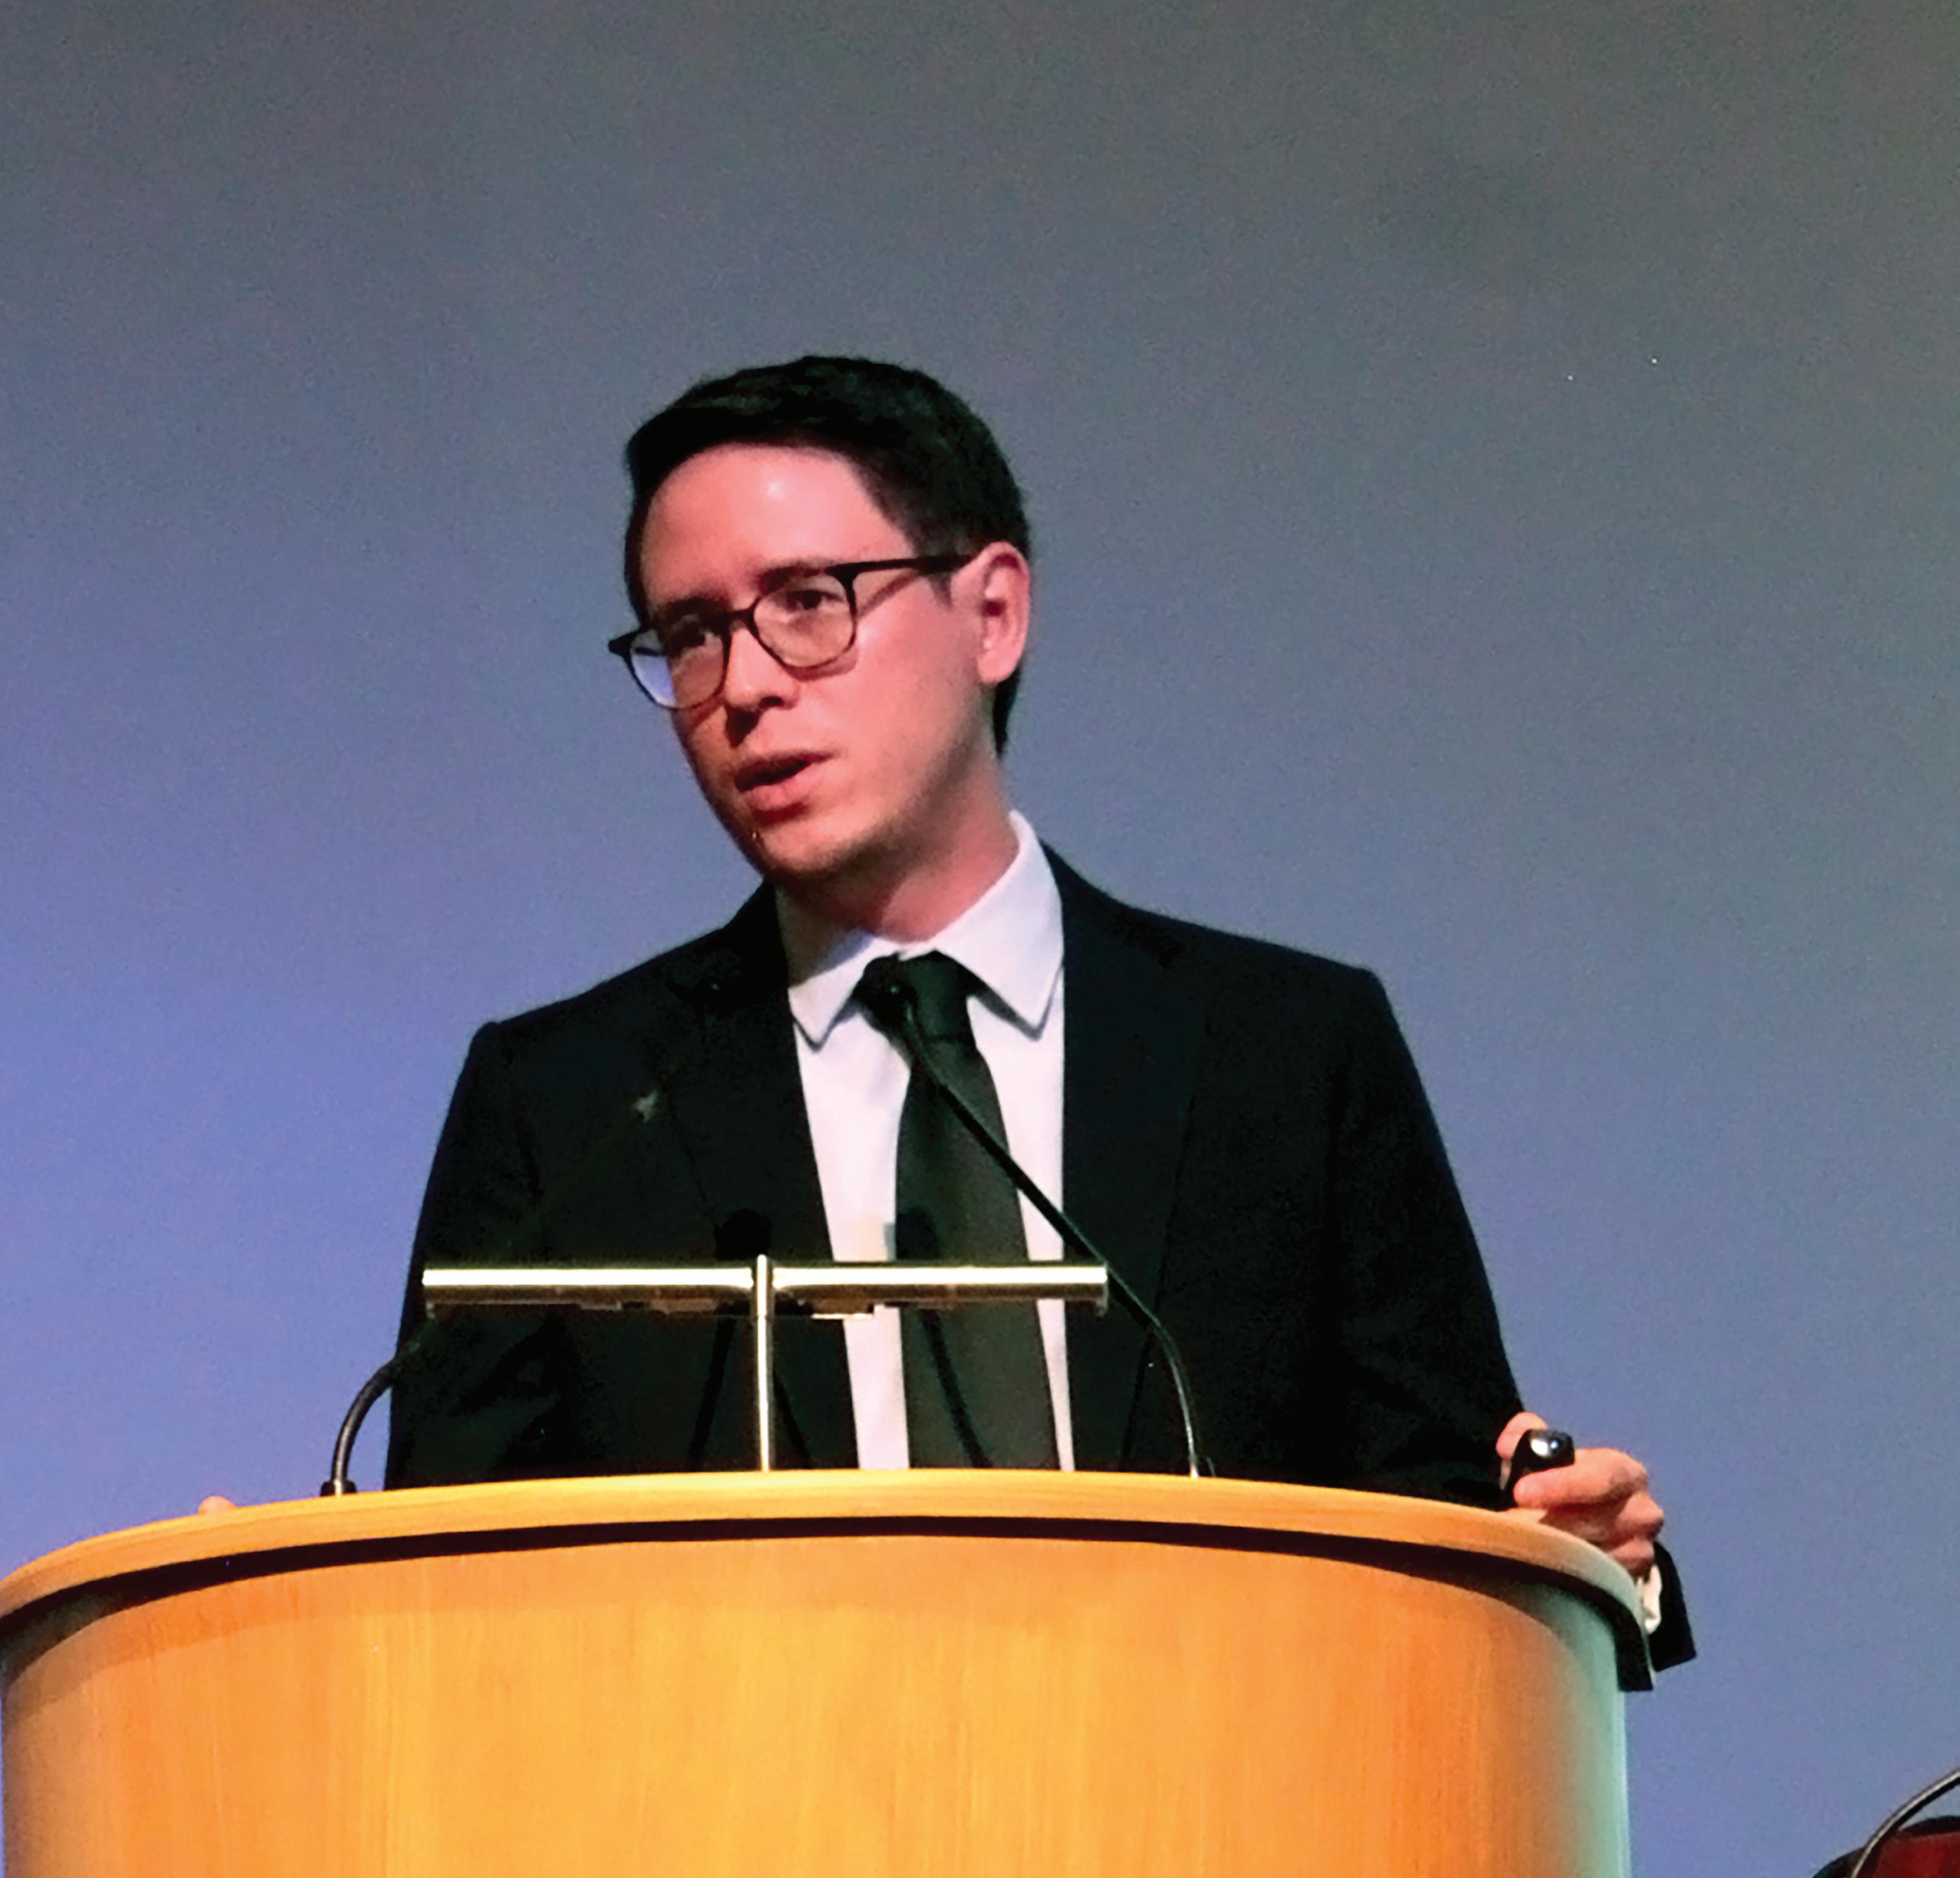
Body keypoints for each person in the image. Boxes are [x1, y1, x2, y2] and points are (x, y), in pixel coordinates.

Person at [383, 354, 1680, 1655]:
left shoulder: (1286, 1058)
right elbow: (439, 1614)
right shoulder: (569, 1110)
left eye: (808, 604)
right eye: (691, 635)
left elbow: (1454, 1533)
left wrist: (1582, 1560)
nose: (746, 685)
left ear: (993, 613)